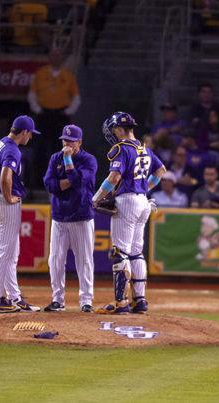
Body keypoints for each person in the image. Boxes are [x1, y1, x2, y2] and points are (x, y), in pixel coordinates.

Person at [92, 111, 166, 315]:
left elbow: (114, 178)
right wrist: (145, 188)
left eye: (114, 129)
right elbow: (161, 171)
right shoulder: (145, 149)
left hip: (127, 201)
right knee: (136, 253)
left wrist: (96, 198)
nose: (113, 132)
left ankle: (121, 302)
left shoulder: (121, 149)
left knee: (120, 252)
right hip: (143, 202)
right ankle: (140, 301)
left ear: (119, 129)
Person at [0, 115, 41, 314]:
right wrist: (9, 197)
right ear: (24, 132)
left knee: (11, 253)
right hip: (4, 202)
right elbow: (5, 177)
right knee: (3, 253)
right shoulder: (12, 149)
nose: (31, 137)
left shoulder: (2, 142)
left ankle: (14, 297)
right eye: (30, 134)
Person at [42, 124, 97, 313]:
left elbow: (80, 181)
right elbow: (48, 184)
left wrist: (67, 161)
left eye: (70, 141)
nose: (66, 144)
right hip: (59, 217)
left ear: (79, 142)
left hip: (81, 217)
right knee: (55, 260)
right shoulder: (54, 158)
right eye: (64, 140)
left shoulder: (89, 160)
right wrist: (66, 183)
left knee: (84, 260)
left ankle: (86, 300)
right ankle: (57, 299)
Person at [28, 48, 81, 188]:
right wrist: (39, 110)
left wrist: (68, 111)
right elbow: (32, 95)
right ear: (49, 58)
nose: (56, 58)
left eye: (59, 56)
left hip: (61, 117)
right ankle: (38, 183)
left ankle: (62, 181)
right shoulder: (40, 74)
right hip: (44, 116)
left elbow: (76, 97)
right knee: (40, 149)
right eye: (53, 56)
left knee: (62, 149)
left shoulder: (68, 75)